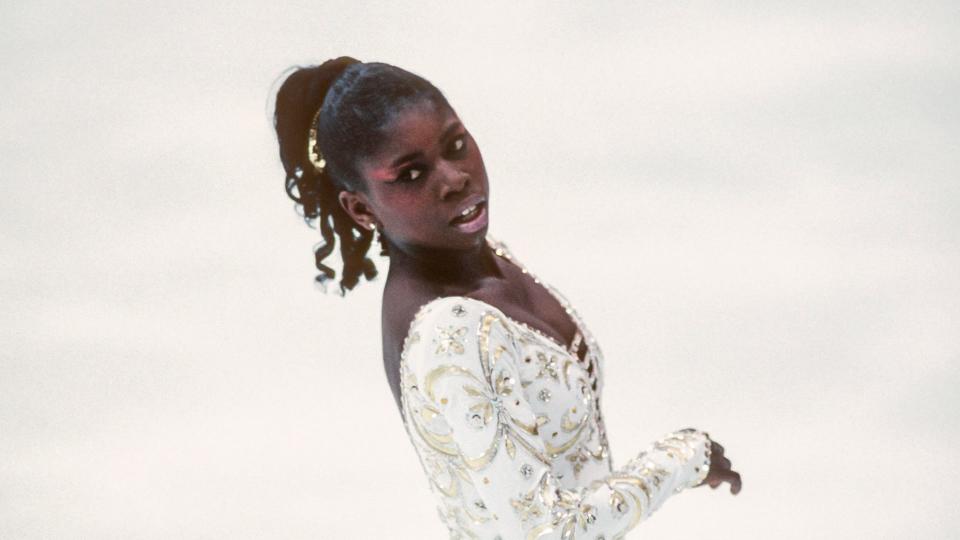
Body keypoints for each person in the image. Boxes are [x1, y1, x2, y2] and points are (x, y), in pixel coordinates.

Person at [273, 57, 741, 539]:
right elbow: (548, 534)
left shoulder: (477, 255)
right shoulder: (451, 332)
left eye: (455, 145)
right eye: (411, 175)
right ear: (361, 208)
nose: (454, 178)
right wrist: (685, 458)